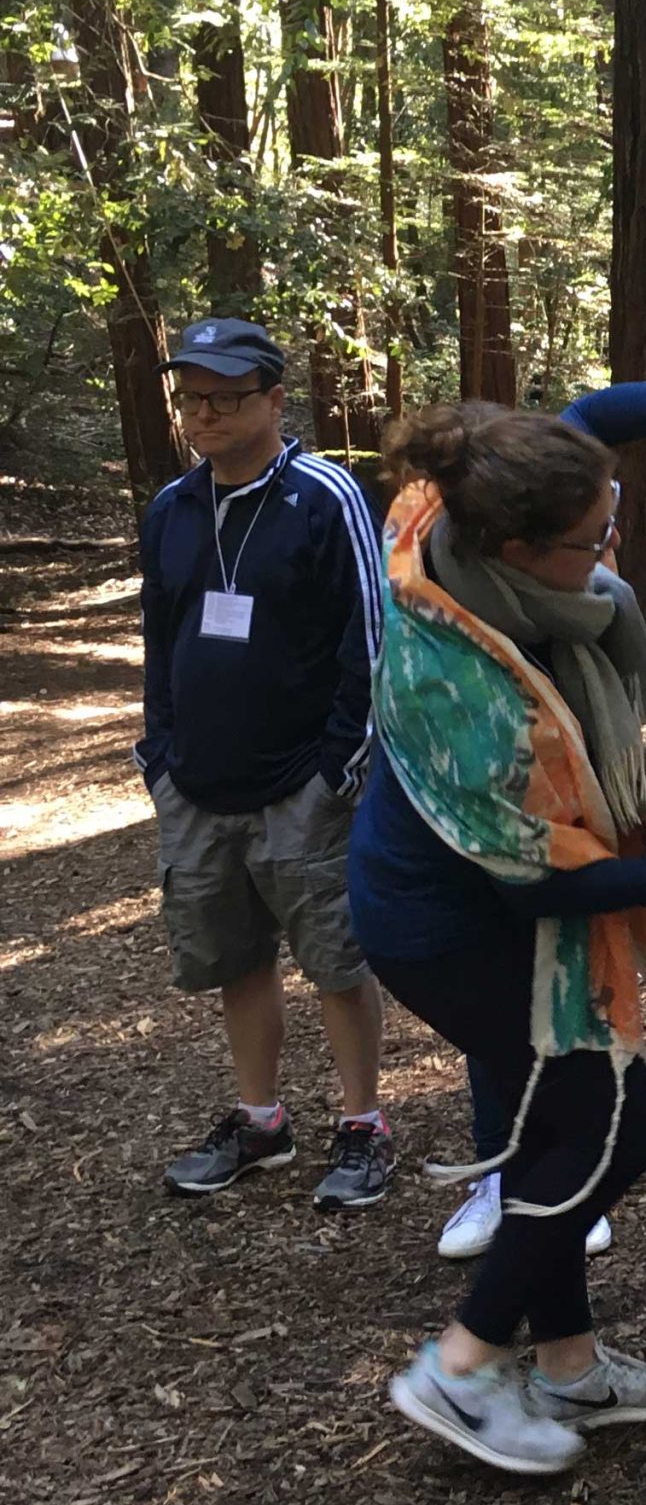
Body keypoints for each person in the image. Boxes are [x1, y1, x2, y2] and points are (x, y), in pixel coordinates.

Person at [353, 371, 646, 1477]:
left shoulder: (465, 499)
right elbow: (529, 886)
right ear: (519, 551)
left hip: (482, 904)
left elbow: (580, 421)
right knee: (613, 1128)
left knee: (561, 1127)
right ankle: (462, 1364)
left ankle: (571, 1365)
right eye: (593, 541)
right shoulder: (468, 690)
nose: (611, 553)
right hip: (450, 927)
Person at [137, 317, 389, 1208]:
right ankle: (261, 1120)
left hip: (302, 785)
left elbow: (371, 636)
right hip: (198, 786)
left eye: (225, 399)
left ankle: (362, 1124)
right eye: (192, 399)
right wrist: (157, 758)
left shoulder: (324, 497)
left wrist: (338, 771)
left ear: (275, 400)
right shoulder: (172, 508)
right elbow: (159, 645)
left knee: (334, 958)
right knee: (235, 958)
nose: (203, 416)